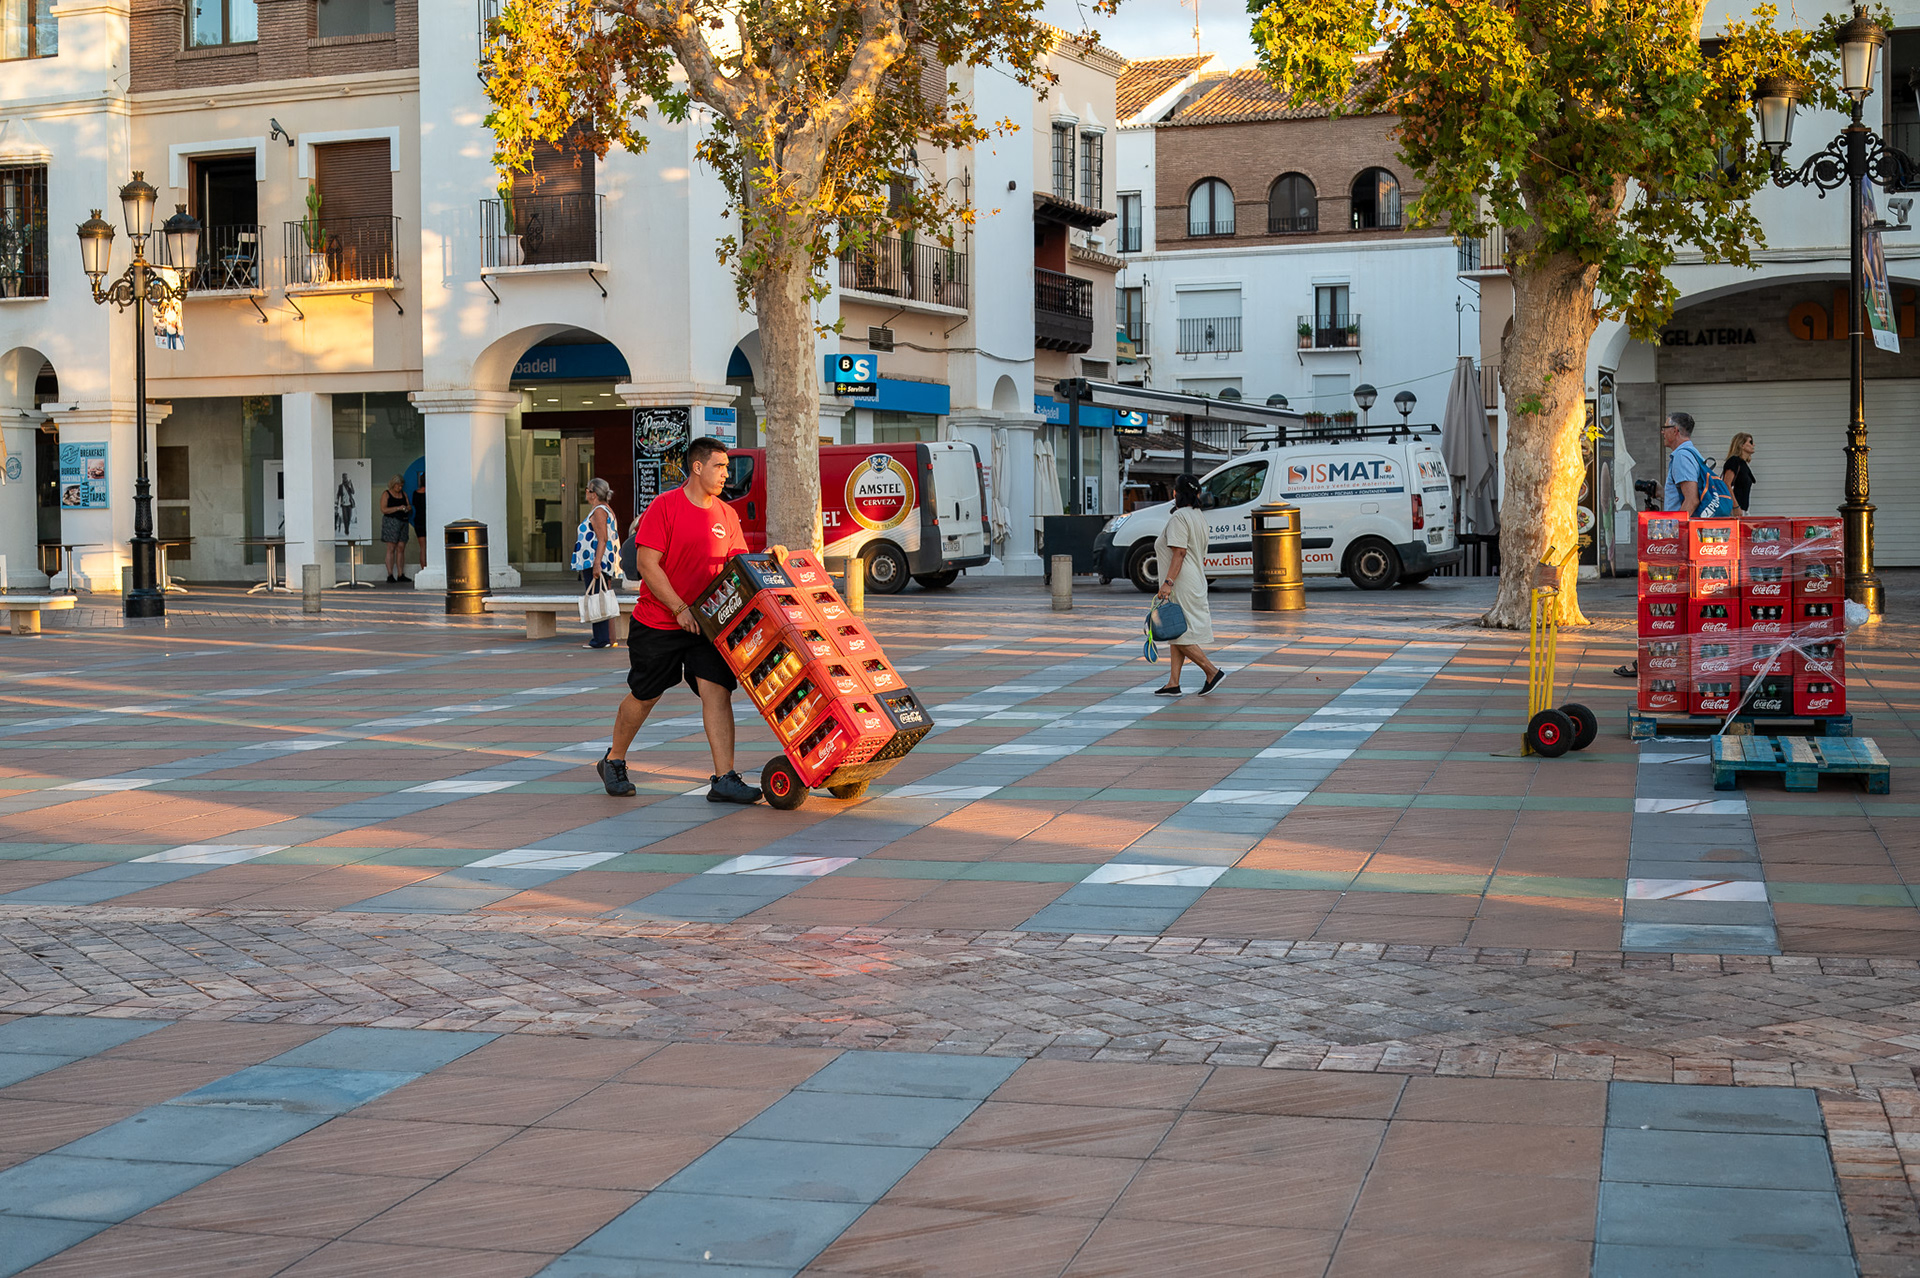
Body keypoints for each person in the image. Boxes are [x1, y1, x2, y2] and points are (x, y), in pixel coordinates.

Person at [595, 437, 763, 804]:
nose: (726, 474)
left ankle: (724, 778)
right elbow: (646, 565)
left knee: (717, 693)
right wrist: (679, 608)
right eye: (719, 466)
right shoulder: (665, 507)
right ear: (697, 467)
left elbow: (737, 567)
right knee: (646, 694)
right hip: (659, 620)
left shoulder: (726, 514)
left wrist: (770, 560)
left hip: (707, 624)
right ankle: (614, 760)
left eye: (727, 466)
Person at [1618, 412, 1711, 677]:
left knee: (1666, 601)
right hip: (1686, 539)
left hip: (1678, 542)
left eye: (1666, 427)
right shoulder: (1691, 454)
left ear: (1678, 431)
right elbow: (1683, 494)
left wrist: (1675, 537)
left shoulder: (1682, 455)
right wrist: (1660, 490)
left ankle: (1659, 659)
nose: (1662, 431)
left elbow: (1691, 500)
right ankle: (1663, 657)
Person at [1152, 472, 1227, 697]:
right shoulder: (1198, 516)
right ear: (1197, 494)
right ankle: (1173, 683)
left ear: (1175, 494)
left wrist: (1167, 583)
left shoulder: (1179, 518)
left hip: (1181, 582)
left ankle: (1212, 672)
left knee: (1179, 634)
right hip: (1194, 579)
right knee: (1177, 631)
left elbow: (1180, 552)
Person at [571, 476, 619, 650]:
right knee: (603, 597)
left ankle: (600, 639)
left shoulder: (599, 511)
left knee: (596, 598)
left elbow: (602, 539)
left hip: (596, 561)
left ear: (593, 493)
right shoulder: (606, 509)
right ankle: (608, 637)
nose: (586, 492)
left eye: (588, 489)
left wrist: (597, 563)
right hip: (601, 561)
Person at [379, 476, 411, 584]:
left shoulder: (403, 494)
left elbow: (408, 505)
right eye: (398, 485)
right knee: (391, 547)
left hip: (403, 521)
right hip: (391, 522)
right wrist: (398, 508)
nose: (400, 487)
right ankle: (390, 574)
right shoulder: (386, 494)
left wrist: (407, 508)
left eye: (401, 485)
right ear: (393, 485)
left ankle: (401, 574)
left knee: (401, 547)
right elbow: (383, 509)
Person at [1722, 432, 1755, 515]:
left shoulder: (1743, 464)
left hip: (1742, 509)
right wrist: (1735, 506)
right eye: (1750, 442)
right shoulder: (1734, 461)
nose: (1753, 445)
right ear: (1741, 445)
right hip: (1734, 510)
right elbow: (1726, 484)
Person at [412, 473, 428, 569]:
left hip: (418, 520)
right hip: (429, 521)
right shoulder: (430, 494)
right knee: (430, 546)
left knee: (422, 547)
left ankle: (423, 568)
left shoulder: (415, 493)